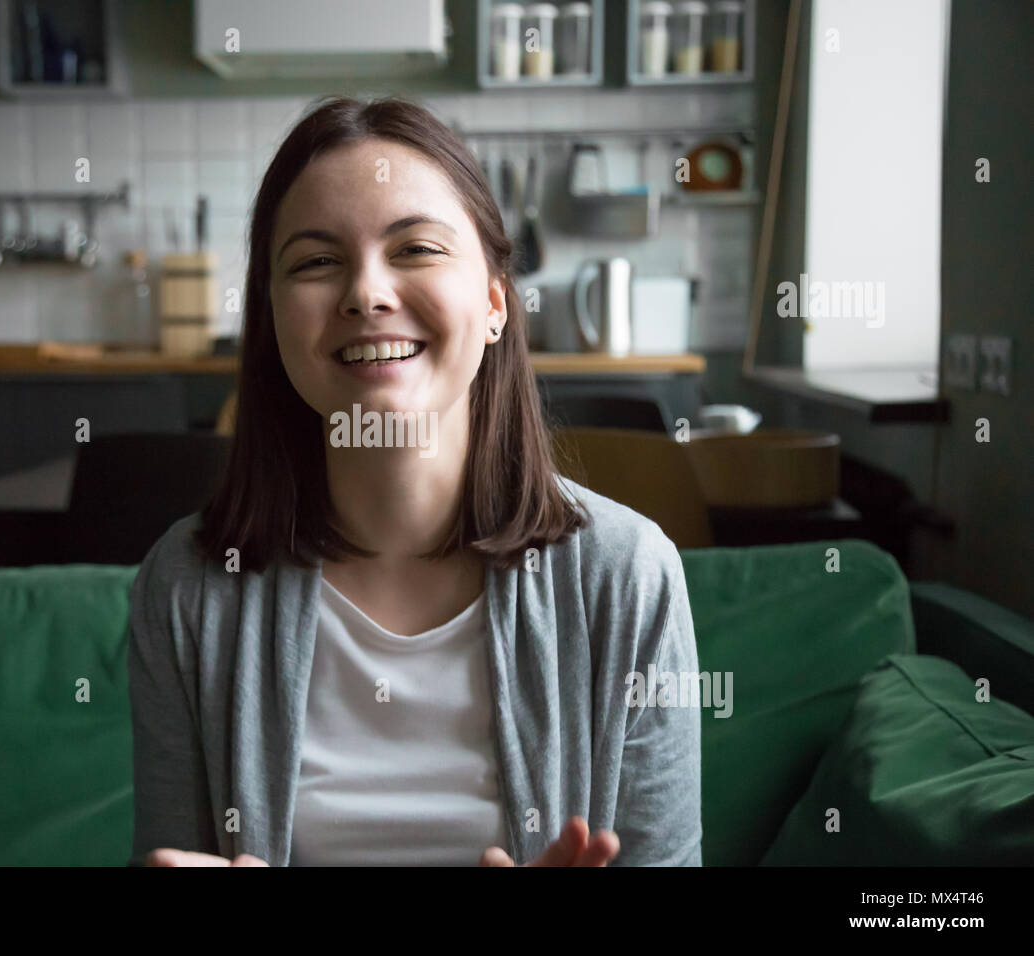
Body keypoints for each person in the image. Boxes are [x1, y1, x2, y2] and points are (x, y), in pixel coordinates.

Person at [128, 95, 702, 867]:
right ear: (271, 318)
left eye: (416, 250)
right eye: (317, 262)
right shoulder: (188, 585)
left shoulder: (627, 577)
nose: (366, 293)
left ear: (495, 300)